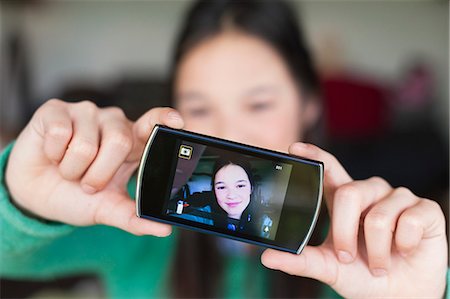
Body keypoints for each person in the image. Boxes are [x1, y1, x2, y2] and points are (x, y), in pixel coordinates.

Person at [1, 0, 447, 298]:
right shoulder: (122, 212)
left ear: (309, 103)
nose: (229, 133)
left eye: (259, 103)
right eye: (199, 106)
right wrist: (19, 199)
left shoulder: (367, 253)